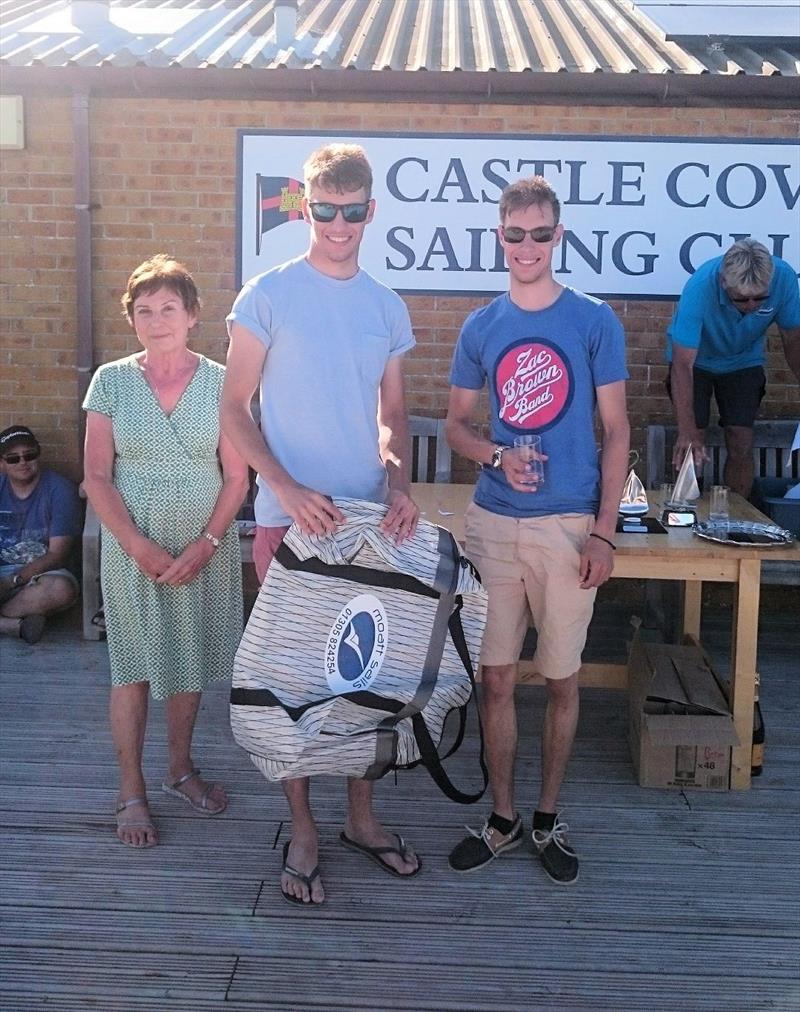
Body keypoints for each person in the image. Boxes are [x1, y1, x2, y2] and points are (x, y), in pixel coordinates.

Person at [222, 143, 421, 906]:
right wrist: (284, 487)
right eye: (324, 210)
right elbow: (234, 408)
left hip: (372, 529)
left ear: (371, 211)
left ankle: (361, 821)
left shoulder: (385, 305)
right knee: (295, 686)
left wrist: (400, 482)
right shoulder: (266, 295)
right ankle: (304, 828)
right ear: (305, 207)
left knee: (369, 682)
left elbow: (393, 415)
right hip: (290, 526)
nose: (339, 224)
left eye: (353, 211)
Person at [445, 176, 630, 885]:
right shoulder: (482, 326)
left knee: (560, 678)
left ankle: (547, 817)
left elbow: (615, 433)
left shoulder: (593, 321)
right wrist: (495, 454)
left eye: (541, 233)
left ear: (559, 237)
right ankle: (502, 816)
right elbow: (458, 426)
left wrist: (604, 533)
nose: (528, 246)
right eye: (515, 233)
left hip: (568, 527)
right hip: (494, 523)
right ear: (500, 236)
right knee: (495, 681)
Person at [82, 255, 249, 849]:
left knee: (189, 661)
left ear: (193, 315)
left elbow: (237, 478)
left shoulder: (224, 380)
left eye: (168, 309)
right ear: (132, 319)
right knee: (130, 669)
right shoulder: (110, 382)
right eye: (144, 311)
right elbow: (97, 477)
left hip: (206, 546)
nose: (157, 321)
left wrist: (205, 544)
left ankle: (180, 770)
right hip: (132, 552)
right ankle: (132, 791)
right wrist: (136, 546)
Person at [666, 238, 800, 497]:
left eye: (759, 299)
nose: (751, 306)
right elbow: (683, 364)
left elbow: (793, 340)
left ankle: (738, 514)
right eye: (741, 300)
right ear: (723, 282)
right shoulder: (700, 286)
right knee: (693, 441)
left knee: (741, 440)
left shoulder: (784, 278)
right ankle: (683, 515)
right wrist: (686, 430)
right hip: (696, 362)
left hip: (743, 360)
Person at [0, 425, 81, 644]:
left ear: (38, 453)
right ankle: (14, 625)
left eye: (29, 454)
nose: (23, 462)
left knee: (60, 589)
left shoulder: (59, 489)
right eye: (13, 458)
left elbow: (57, 554)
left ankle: (5, 619)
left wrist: (12, 581)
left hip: (41, 575)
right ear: (2, 464)